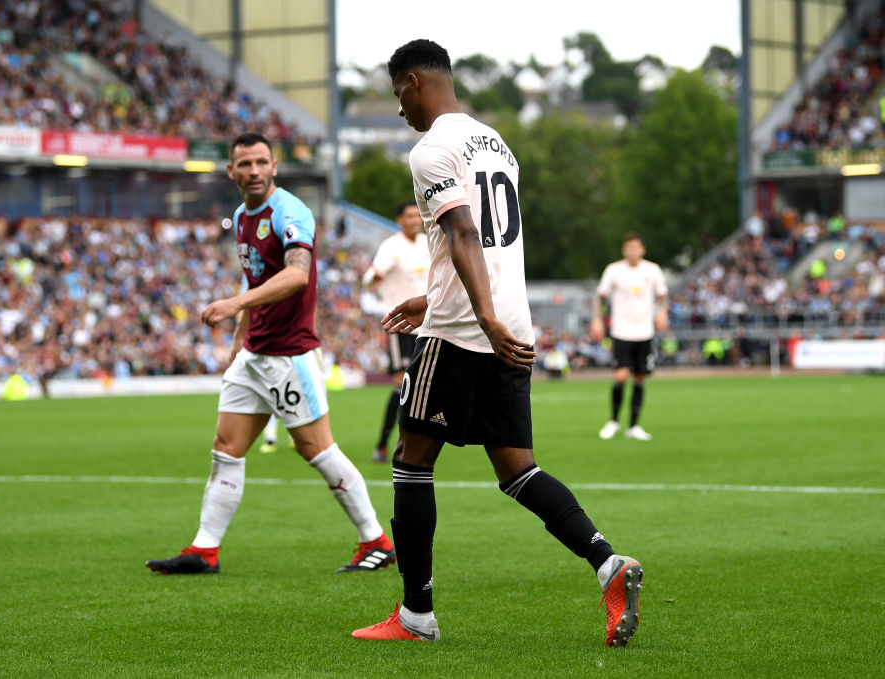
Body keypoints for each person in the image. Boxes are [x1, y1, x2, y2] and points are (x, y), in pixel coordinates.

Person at [351, 40, 643, 648]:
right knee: (517, 470)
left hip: (464, 333)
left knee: (411, 461)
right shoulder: (495, 143)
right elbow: (493, 247)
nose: (398, 108)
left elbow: (463, 231)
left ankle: (416, 618)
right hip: (512, 327)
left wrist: (474, 318)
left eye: (395, 94)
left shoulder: (430, 148)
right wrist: (453, 304)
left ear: (411, 83)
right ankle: (608, 564)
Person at [147, 132, 395, 575]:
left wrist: (234, 305)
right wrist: (239, 339)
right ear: (232, 171)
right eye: (245, 164)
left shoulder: (290, 211)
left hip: (289, 354)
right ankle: (204, 551)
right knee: (226, 447)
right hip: (255, 354)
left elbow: (297, 275)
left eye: (262, 162)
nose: (254, 171)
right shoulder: (242, 215)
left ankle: (375, 541)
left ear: (274, 166)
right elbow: (255, 280)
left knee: (316, 449)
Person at [361, 200, 430, 463]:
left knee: (425, 386)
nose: (415, 220)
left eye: (417, 216)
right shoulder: (391, 246)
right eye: (409, 216)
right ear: (399, 220)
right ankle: (383, 444)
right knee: (401, 384)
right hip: (400, 324)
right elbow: (371, 276)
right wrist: (373, 279)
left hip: (429, 325)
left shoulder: (428, 242)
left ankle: (420, 440)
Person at [590, 233, 668, 441]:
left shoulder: (652, 270)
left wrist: (662, 312)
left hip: (644, 332)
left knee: (640, 377)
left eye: (636, 247)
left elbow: (662, 296)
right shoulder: (614, 270)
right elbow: (600, 296)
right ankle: (614, 421)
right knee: (621, 376)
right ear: (624, 250)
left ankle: (633, 426)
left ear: (642, 249)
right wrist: (597, 319)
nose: (632, 251)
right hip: (621, 331)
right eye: (628, 248)